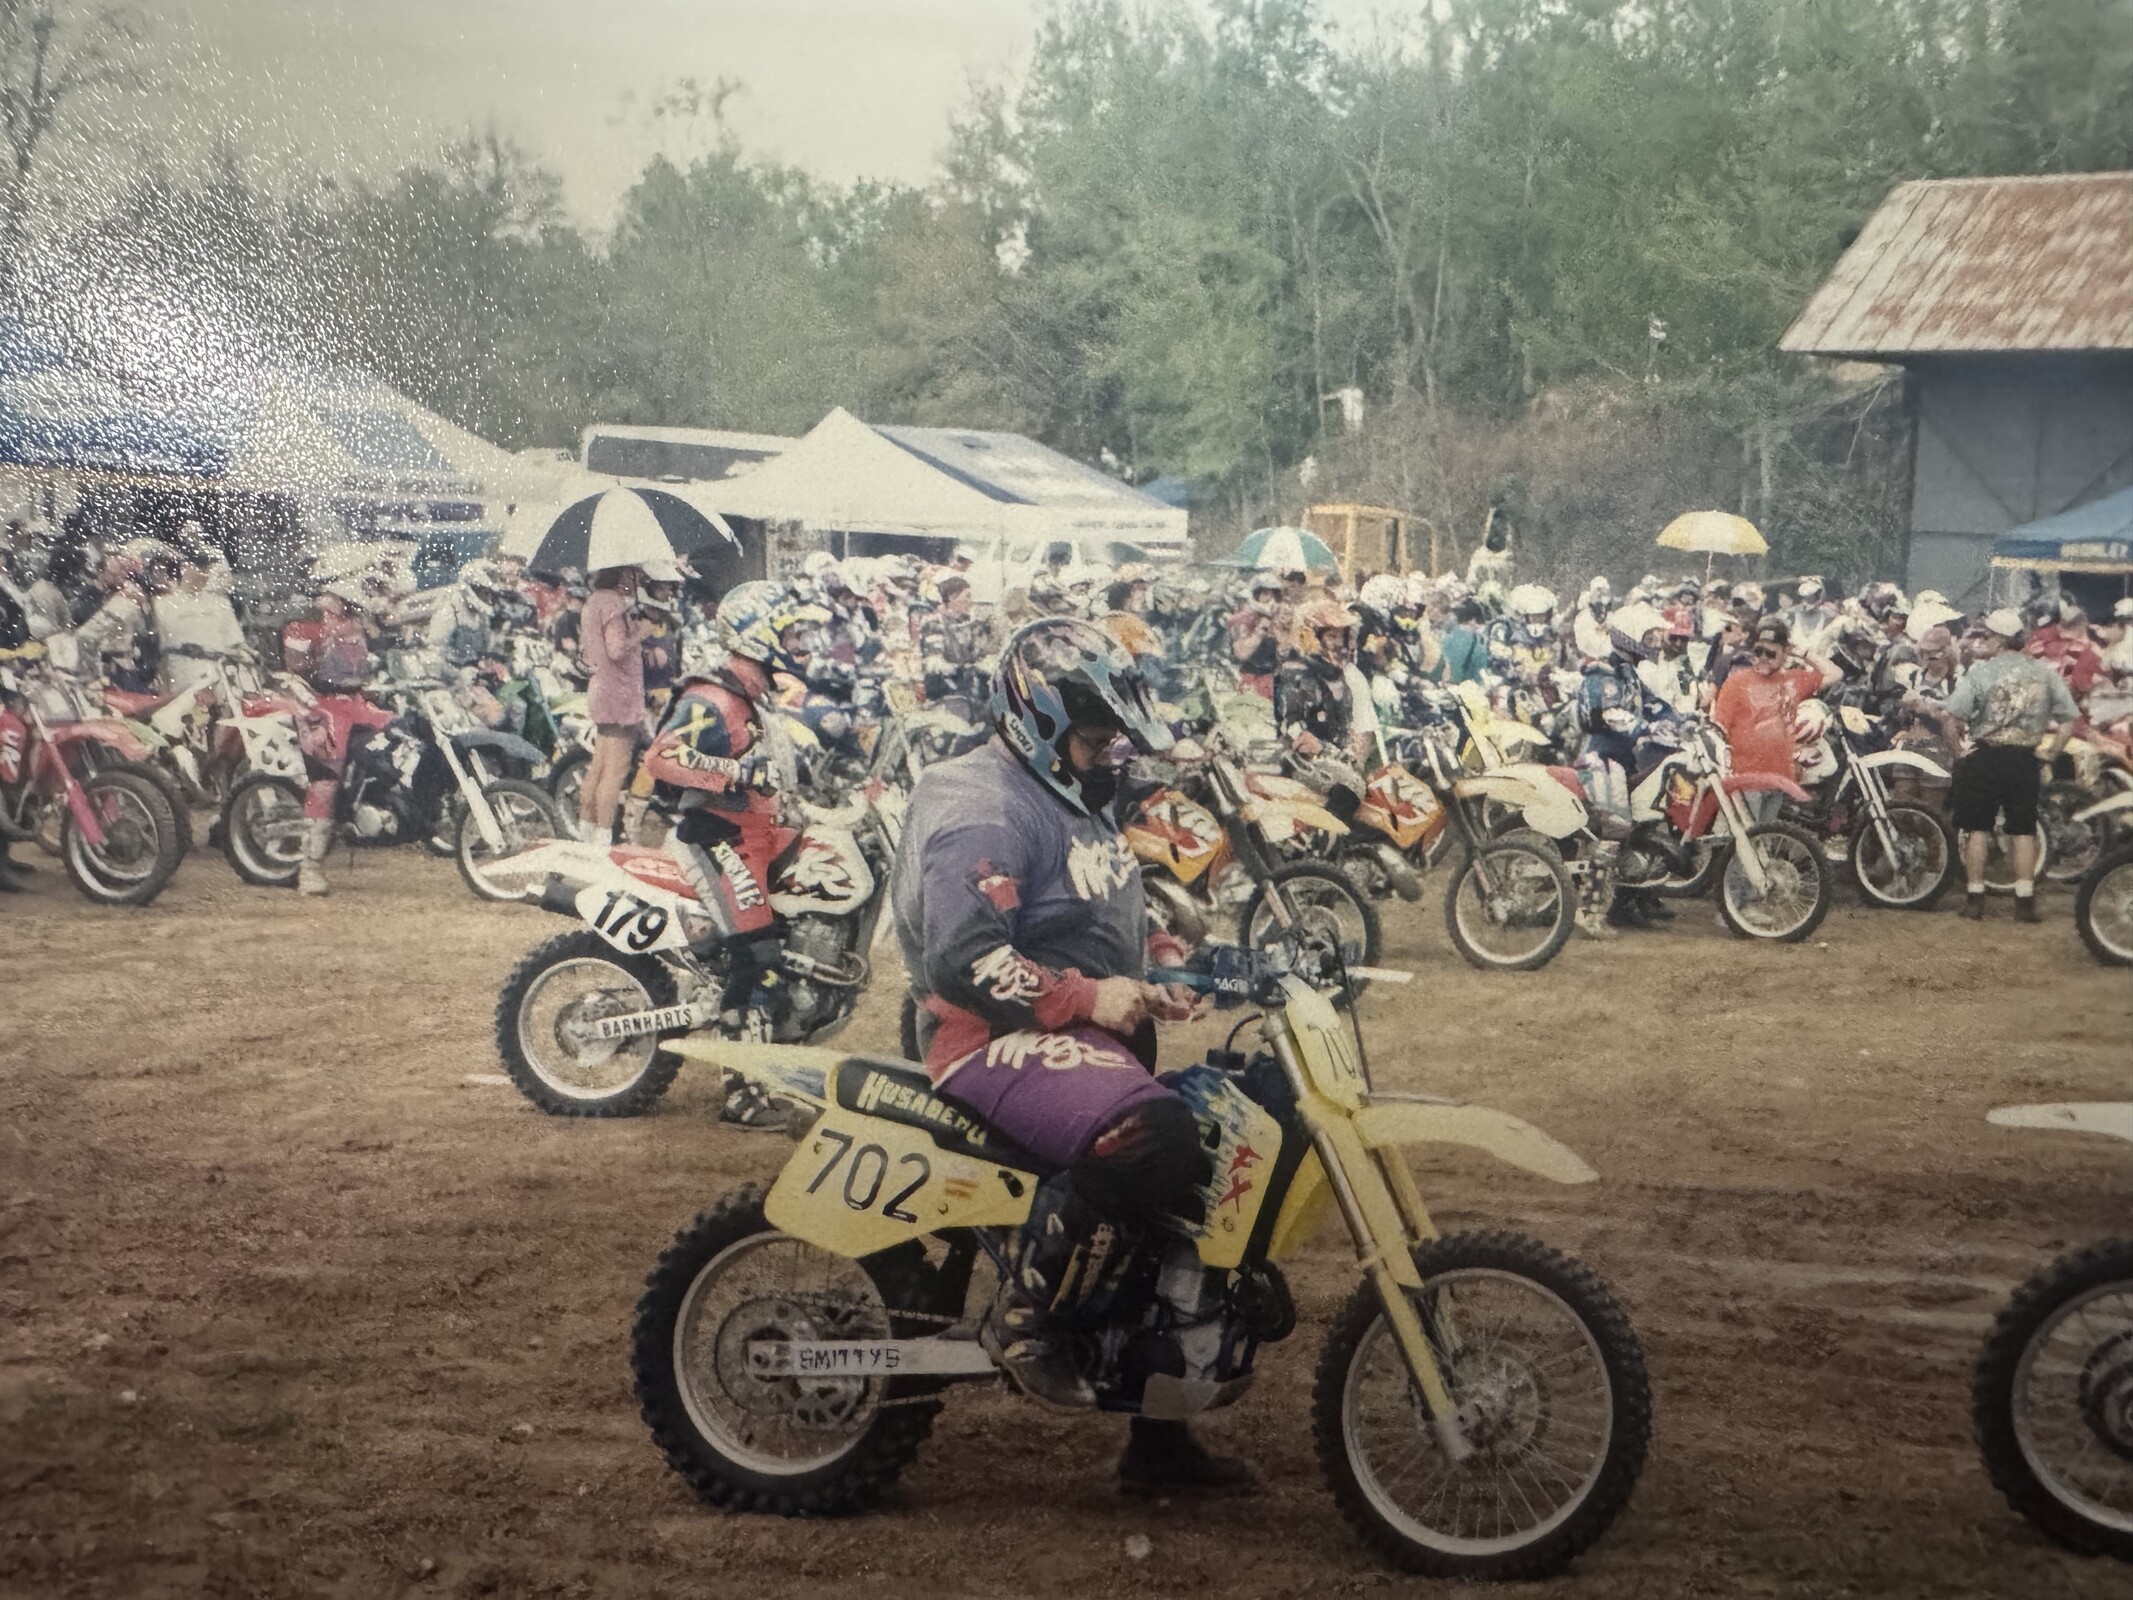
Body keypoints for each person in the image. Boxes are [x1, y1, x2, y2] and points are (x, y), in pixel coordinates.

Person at [890, 617, 1249, 1491]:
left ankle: (1156, 1437)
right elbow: (966, 957)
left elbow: (1092, 907)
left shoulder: (1071, 796)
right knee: (1151, 1134)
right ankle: (1025, 1321)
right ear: (1040, 723)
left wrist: (1162, 964)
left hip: (1077, 1034)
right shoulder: (979, 803)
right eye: (1096, 738)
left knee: (1207, 1176)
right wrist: (1087, 997)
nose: (1111, 753)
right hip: (987, 1037)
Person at [642, 582, 826, 1120]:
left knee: (798, 920)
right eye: (790, 632)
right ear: (757, 635)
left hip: (756, 831)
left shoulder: (753, 696)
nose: (799, 642)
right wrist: (735, 771)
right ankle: (742, 1093)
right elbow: (659, 758)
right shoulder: (711, 698)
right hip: (715, 834)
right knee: (757, 953)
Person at [1909, 609, 2079, 922]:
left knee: (1977, 829)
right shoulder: (2043, 673)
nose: (1983, 640)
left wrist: (1960, 751)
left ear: (1999, 640)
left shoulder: (1981, 673)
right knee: (2023, 830)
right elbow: (2069, 721)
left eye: (1987, 635)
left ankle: (1975, 898)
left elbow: (1953, 715)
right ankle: (2024, 900)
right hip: (2024, 759)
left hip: (1985, 756)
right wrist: (2051, 753)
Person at [1710, 619, 1841, 818]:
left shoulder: (1792, 680)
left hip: (1779, 778)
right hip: (1746, 779)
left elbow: (1835, 673)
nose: (1762, 658)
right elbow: (1718, 728)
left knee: (1766, 839)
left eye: (1770, 653)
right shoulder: (1736, 683)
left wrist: (1803, 653)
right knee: (1743, 843)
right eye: (1758, 651)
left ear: (1785, 653)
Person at [578, 565, 652, 845]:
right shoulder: (613, 603)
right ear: (623, 576)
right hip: (620, 695)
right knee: (616, 770)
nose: (639, 582)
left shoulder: (593, 601)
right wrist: (640, 634)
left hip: (600, 689)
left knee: (598, 766)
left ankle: (586, 832)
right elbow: (617, 649)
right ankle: (603, 839)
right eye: (636, 576)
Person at [1274, 595, 1364, 761]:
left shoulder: (1342, 677)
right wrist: (1321, 748)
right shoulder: (1296, 673)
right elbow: (1292, 731)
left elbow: (1351, 732)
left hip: (1335, 764)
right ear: (1312, 638)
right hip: (1302, 766)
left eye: (1343, 637)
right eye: (1332, 637)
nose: (1340, 645)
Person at [1227, 574, 1285, 697]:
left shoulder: (1278, 617)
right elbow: (1241, 653)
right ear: (1256, 595)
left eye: (1271, 594)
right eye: (1264, 594)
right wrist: (1259, 632)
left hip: (1274, 675)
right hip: (1251, 675)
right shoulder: (1245, 619)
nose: (1269, 599)